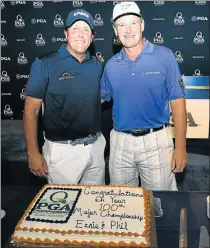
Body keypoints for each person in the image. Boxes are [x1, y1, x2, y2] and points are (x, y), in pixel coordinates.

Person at [101, 2, 188, 190]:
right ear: (115, 31)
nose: (128, 30)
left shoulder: (165, 57)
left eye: (133, 23)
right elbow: (98, 99)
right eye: (121, 25)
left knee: (160, 206)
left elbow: (178, 104)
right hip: (120, 142)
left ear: (142, 25)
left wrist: (180, 147)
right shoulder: (111, 65)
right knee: (121, 206)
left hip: (156, 140)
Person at [24, 9, 106, 184]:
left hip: (96, 148)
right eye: (75, 28)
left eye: (86, 29)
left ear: (92, 37)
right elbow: (31, 110)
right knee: (64, 208)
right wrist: (32, 152)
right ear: (65, 33)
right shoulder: (45, 63)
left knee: (93, 208)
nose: (81, 34)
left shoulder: (97, 65)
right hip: (63, 152)